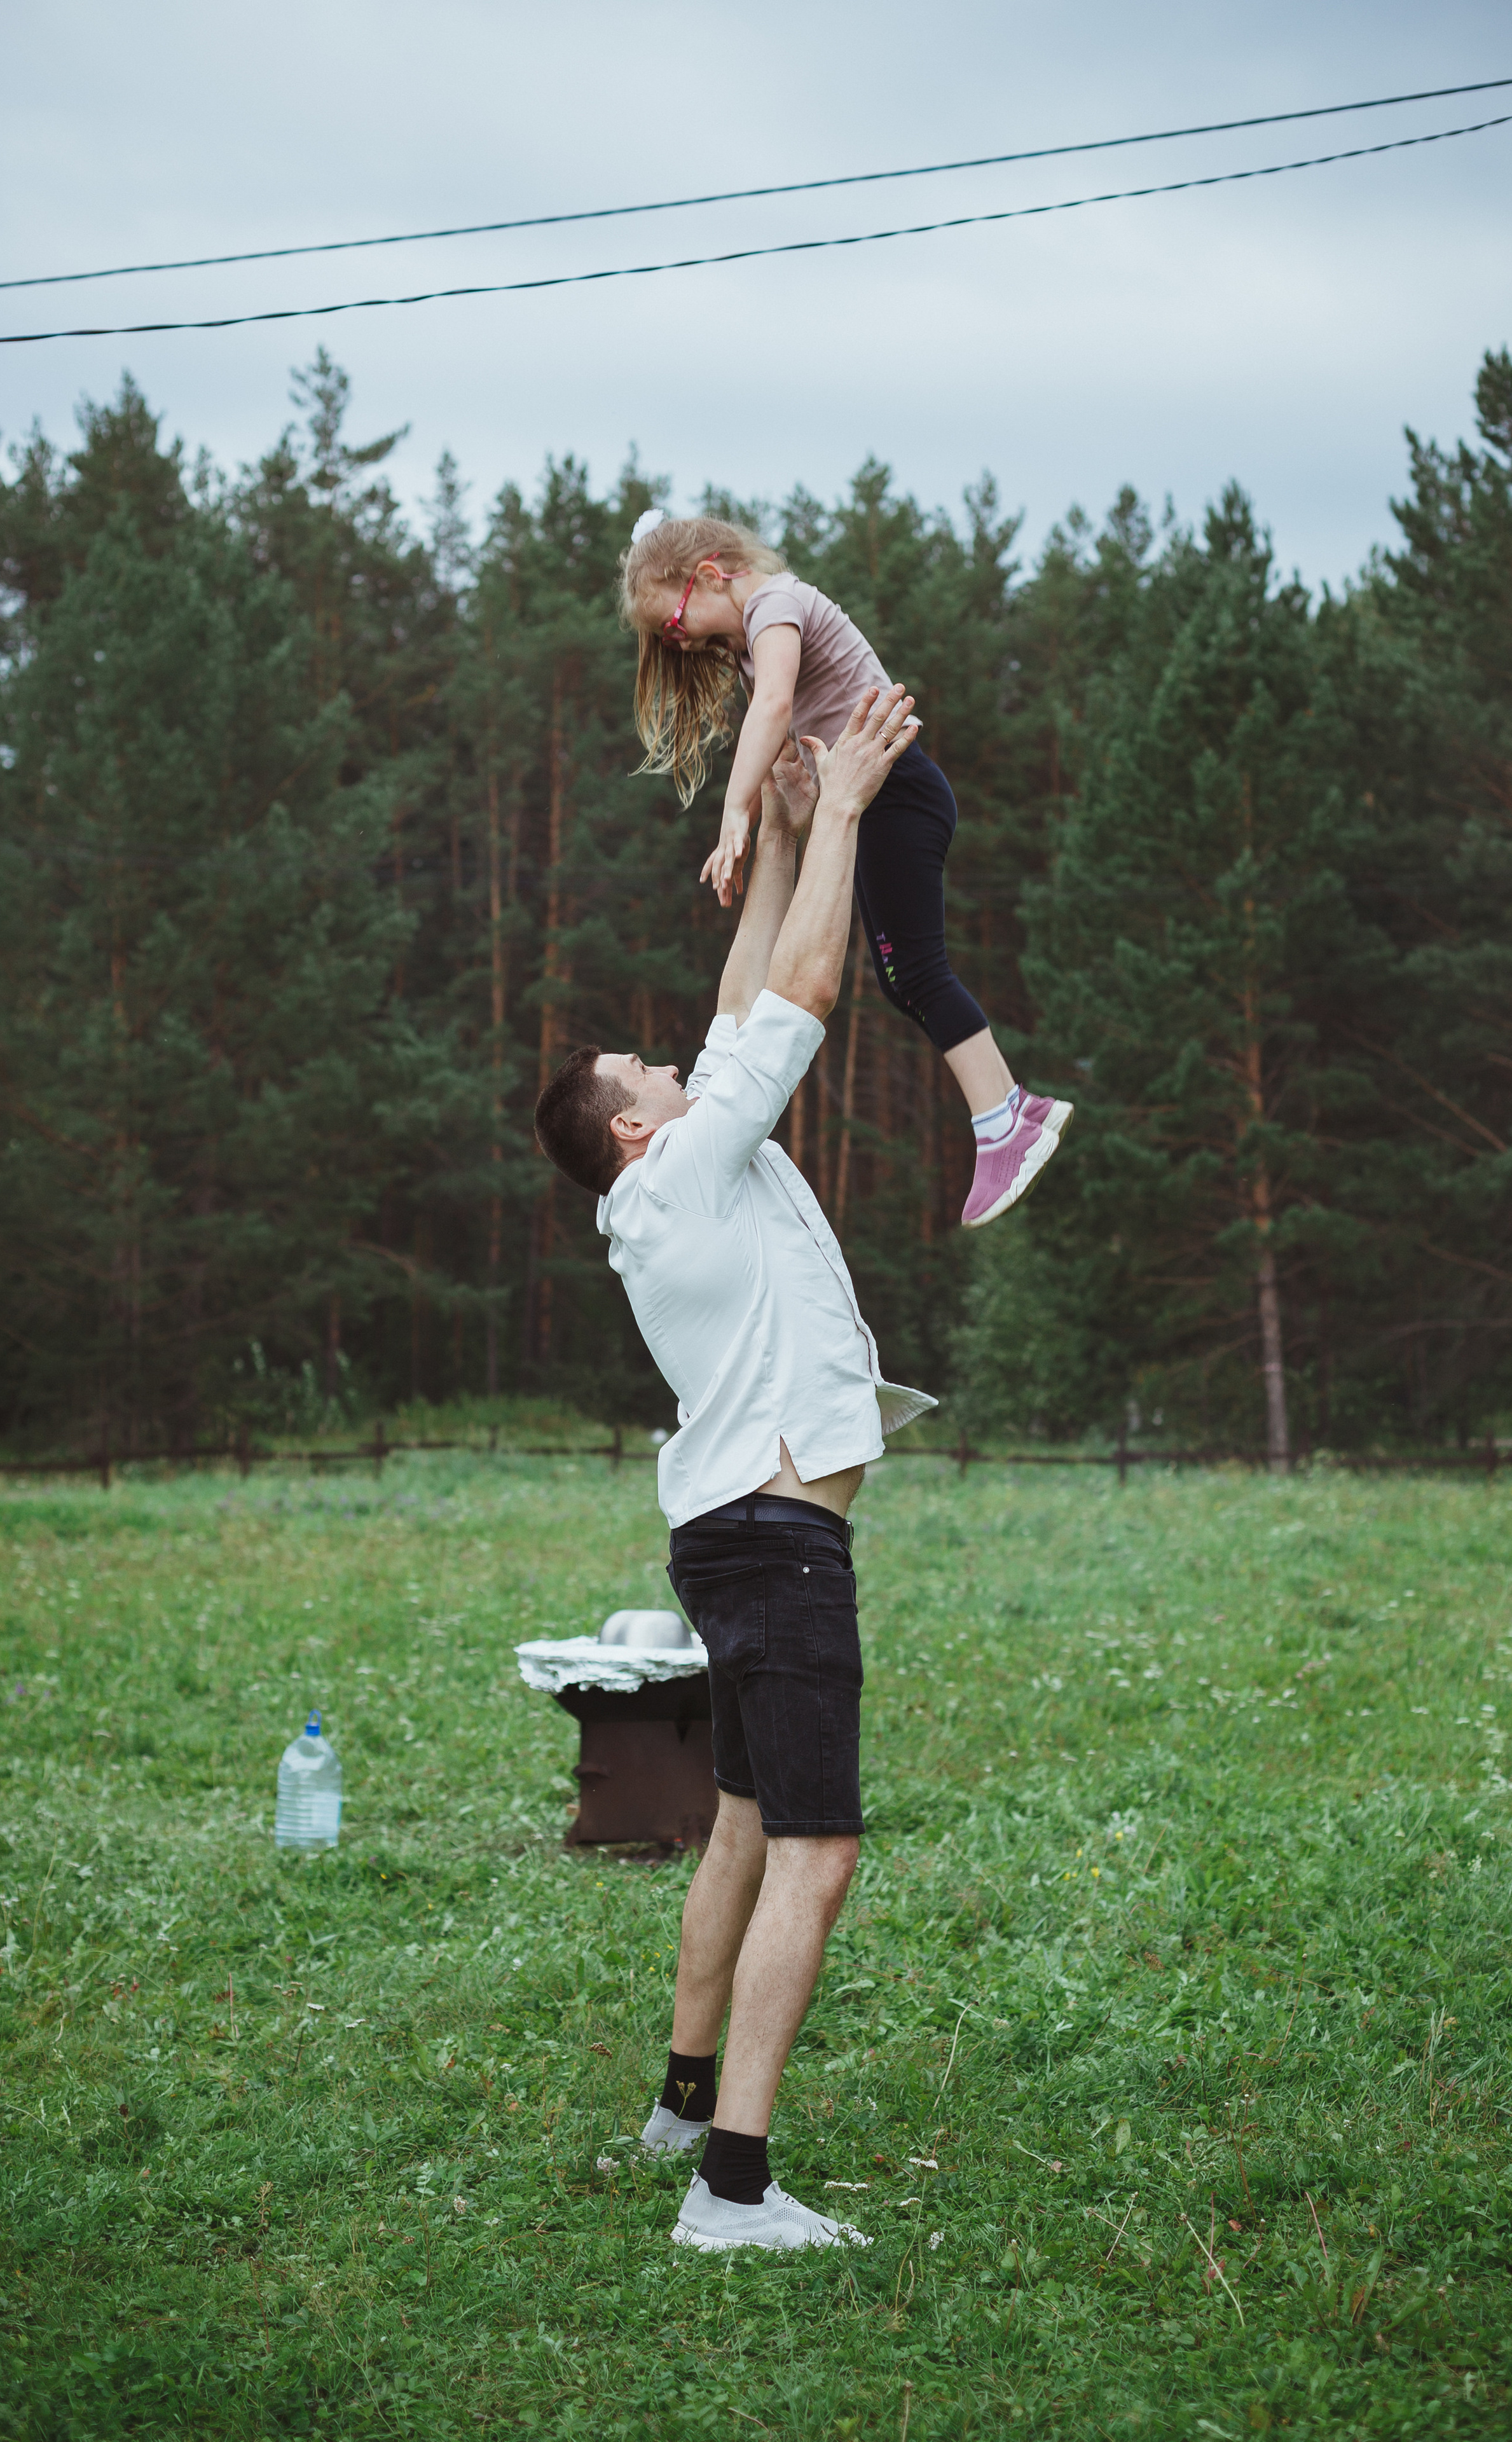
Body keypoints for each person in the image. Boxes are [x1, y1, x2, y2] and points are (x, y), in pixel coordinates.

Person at [535, 687, 930, 2252]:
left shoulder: (662, 1180)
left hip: (726, 1532)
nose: (679, 1071)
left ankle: (681, 2103)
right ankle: (732, 2191)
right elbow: (807, 986)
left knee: (747, 1827)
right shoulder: (693, 1163)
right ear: (636, 1132)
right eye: (652, 1076)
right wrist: (835, 808)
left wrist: (760, 841)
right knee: (814, 1850)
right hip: (774, 1541)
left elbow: (733, 1002)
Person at [618, 509, 1073, 1229]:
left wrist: (735, 809)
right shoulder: (755, 628)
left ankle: (1008, 1120)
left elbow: (773, 705)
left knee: (915, 971)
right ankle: (1006, 1113)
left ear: (708, 575)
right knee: (904, 979)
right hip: (876, 800)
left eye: (672, 620)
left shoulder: (774, 605)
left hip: (897, 794)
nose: (674, 638)